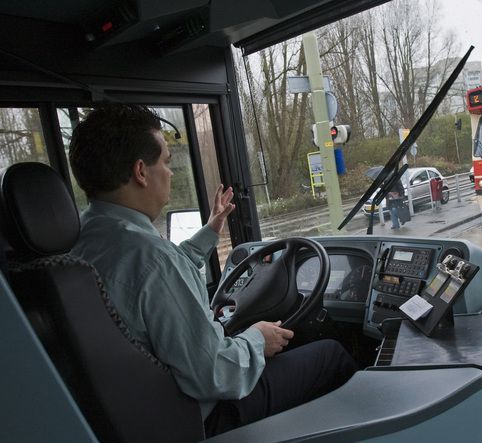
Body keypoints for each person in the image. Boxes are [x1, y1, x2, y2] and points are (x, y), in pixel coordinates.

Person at [68, 104, 356, 436]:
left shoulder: (87, 239)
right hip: (200, 418)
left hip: (142, 416)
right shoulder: (152, 260)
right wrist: (256, 340)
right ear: (140, 172)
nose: (171, 172)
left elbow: (151, 285)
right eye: (165, 162)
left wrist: (211, 230)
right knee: (330, 355)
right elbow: (215, 374)